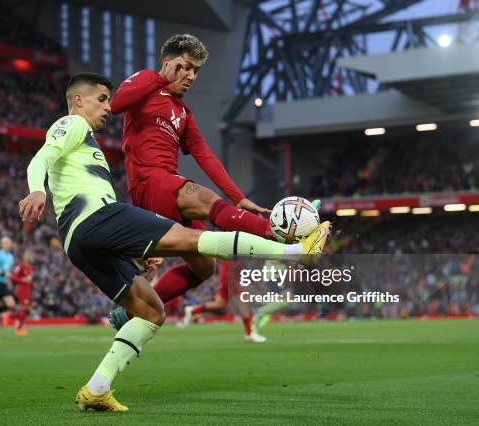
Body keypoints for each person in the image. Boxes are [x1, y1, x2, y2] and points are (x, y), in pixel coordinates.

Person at [18, 72, 331, 412]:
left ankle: (97, 387)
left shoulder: (88, 146)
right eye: (102, 99)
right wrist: (37, 188)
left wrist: (130, 249)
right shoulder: (72, 124)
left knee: (151, 310)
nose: (108, 107)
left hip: (80, 241)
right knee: (196, 240)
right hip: (96, 219)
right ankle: (295, 251)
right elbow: (43, 157)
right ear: (79, 100)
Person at [108, 34, 286, 325]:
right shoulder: (146, 80)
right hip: (148, 184)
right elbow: (116, 104)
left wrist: (238, 197)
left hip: (170, 188)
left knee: (205, 267)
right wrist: (161, 78)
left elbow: (205, 155)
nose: (191, 76)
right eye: (187, 67)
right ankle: (278, 234)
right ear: (170, 63)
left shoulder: (184, 112)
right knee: (203, 197)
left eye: (196, 71)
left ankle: (126, 313)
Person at [182, 260, 267, 343]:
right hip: (231, 275)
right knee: (244, 300)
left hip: (231, 274)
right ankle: (249, 333)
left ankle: (193, 311)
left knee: (220, 303)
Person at [9, 249, 34, 336]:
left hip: (28, 291)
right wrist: (22, 280)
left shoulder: (30, 267)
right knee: (25, 309)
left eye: (31, 255)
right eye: (29, 255)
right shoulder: (21, 266)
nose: (31, 257)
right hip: (22, 290)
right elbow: (13, 277)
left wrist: (32, 286)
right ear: (25, 257)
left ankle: (12, 316)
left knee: (28, 310)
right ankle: (18, 328)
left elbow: (29, 280)